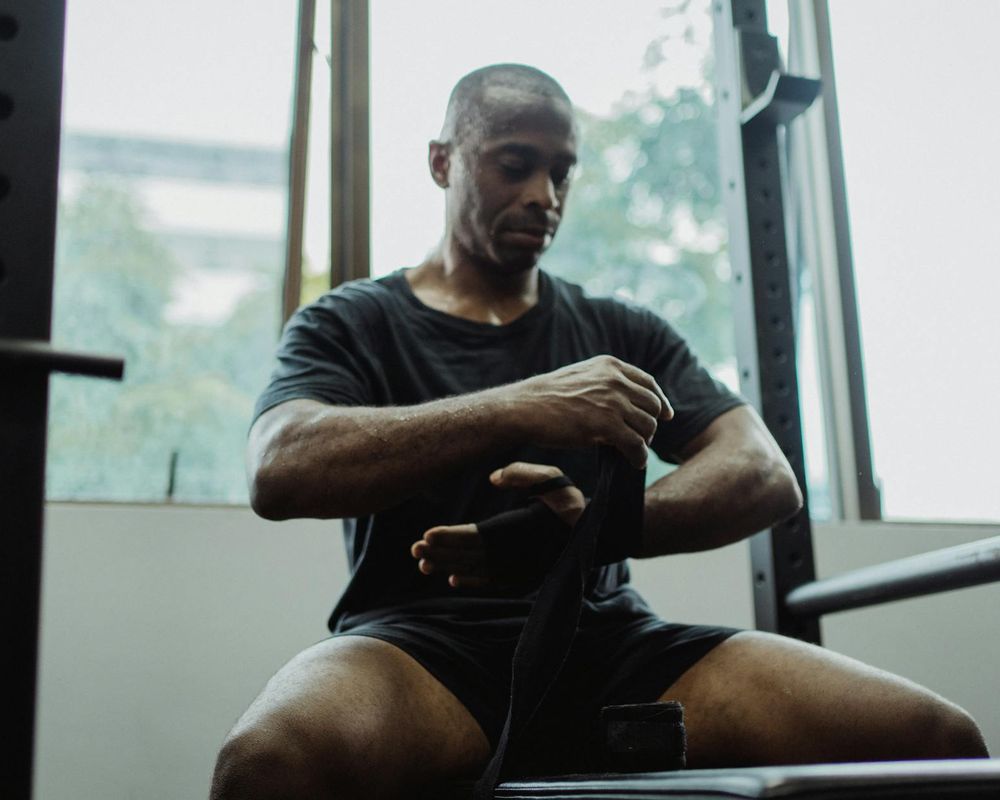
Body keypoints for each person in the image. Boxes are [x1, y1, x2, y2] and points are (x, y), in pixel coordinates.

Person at [210, 64, 987, 800]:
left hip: (613, 644)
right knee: (269, 764)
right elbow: (280, 467)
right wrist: (519, 406)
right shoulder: (352, 321)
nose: (544, 194)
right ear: (443, 163)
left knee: (936, 740)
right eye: (514, 164)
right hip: (422, 649)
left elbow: (760, 471)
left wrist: (596, 530)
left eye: (562, 171)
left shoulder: (618, 328)